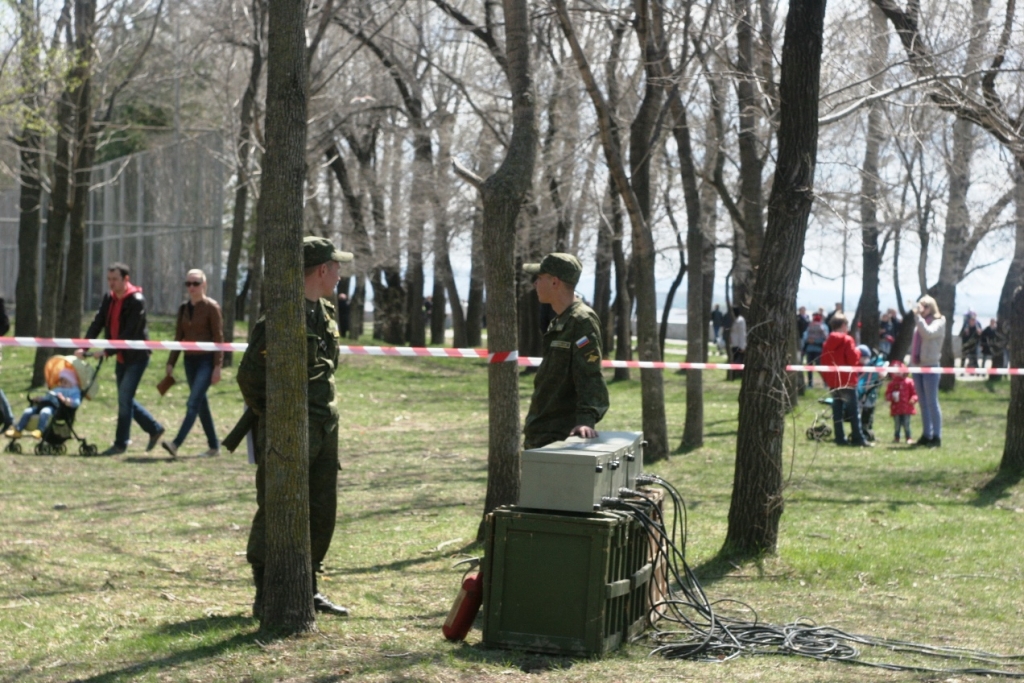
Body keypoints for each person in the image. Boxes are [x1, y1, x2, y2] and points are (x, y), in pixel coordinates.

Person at [238, 236, 353, 620]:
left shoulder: (325, 312)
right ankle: (266, 587)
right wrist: (275, 417)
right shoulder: (281, 318)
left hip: (325, 426)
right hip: (290, 428)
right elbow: (250, 377)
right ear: (322, 269)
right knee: (277, 507)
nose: (340, 274)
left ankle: (309, 586)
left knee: (321, 510)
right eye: (337, 267)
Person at [521, 253, 609, 450]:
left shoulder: (581, 321)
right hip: (543, 429)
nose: (535, 284)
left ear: (554, 282)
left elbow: (590, 373)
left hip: (559, 435)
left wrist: (586, 420)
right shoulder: (561, 320)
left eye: (540, 278)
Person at [78, 262, 164, 456]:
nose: (111, 283)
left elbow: (130, 333)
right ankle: (154, 428)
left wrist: (107, 351)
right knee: (125, 399)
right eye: (109, 279)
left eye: (115, 279)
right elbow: (98, 322)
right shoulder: (109, 298)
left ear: (126, 279)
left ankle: (120, 444)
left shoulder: (136, 300)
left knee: (124, 399)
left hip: (137, 357)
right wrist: (84, 347)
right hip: (121, 358)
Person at [161, 269, 224, 459]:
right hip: (189, 361)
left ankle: (175, 443)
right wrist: (171, 362)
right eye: (188, 284)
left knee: (193, 403)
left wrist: (217, 366)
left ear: (204, 285)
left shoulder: (212, 307)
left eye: (195, 283)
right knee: (200, 404)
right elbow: (178, 337)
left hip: (206, 361)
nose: (192, 288)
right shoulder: (183, 308)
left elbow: (219, 338)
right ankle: (214, 446)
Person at [819, 313, 870, 447]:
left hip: (834, 382)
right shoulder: (847, 340)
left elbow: (823, 362)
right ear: (843, 325)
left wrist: (828, 379)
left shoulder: (827, 343)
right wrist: (859, 352)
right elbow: (853, 359)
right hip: (847, 380)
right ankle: (858, 438)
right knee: (854, 411)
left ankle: (840, 438)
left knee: (837, 412)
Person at [911, 295, 946, 447]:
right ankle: (927, 434)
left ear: (931, 307)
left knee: (932, 402)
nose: (921, 309)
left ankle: (937, 436)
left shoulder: (939, 322)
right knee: (923, 403)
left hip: (931, 366)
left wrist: (918, 318)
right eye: (920, 306)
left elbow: (928, 333)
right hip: (917, 366)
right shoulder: (921, 323)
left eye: (924, 306)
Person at [6, 369, 81, 438]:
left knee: (45, 411)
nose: (62, 384)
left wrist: (65, 400)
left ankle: (39, 430)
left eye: (65, 382)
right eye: (61, 382)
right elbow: (47, 397)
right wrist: (40, 399)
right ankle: (18, 430)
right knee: (27, 411)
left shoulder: (74, 391)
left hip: (57, 408)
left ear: (72, 383)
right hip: (44, 404)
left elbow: (76, 402)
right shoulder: (57, 389)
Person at [885, 361, 918, 444]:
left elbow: (915, 393)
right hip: (896, 408)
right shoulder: (892, 384)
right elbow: (887, 395)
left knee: (907, 423)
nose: (898, 373)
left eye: (899, 370)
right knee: (897, 424)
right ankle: (897, 437)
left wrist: (913, 399)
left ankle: (908, 437)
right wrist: (891, 396)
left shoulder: (909, 382)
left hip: (907, 408)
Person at [802, 312, 828, 388]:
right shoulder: (809, 326)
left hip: (818, 350)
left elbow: (825, 339)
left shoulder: (824, 327)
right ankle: (810, 384)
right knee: (809, 367)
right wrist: (808, 341)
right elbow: (805, 337)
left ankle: (825, 382)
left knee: (819, 367)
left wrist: (815, 341)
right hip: (809, 349)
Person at [730, 307, 747, 378]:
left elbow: (742, 333)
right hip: (734, 344)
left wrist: (742, 346)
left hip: (738, 344)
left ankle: (738, 375)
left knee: (738, 361)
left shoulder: (740, 320)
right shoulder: (735, 320)